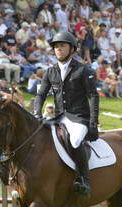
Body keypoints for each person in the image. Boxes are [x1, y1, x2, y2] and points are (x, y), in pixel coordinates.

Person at [34, 31, 99, 196]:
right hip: (57, 118)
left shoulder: (84, 70)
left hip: (79, 118)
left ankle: (84, 179)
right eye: (56, 46)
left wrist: (93, 123)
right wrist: (37, 114)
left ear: (72, 49)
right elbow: (41, 95)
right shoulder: (50, 72)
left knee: (75, 140)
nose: (58, 49)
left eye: (62, 46)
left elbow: (93, 96)